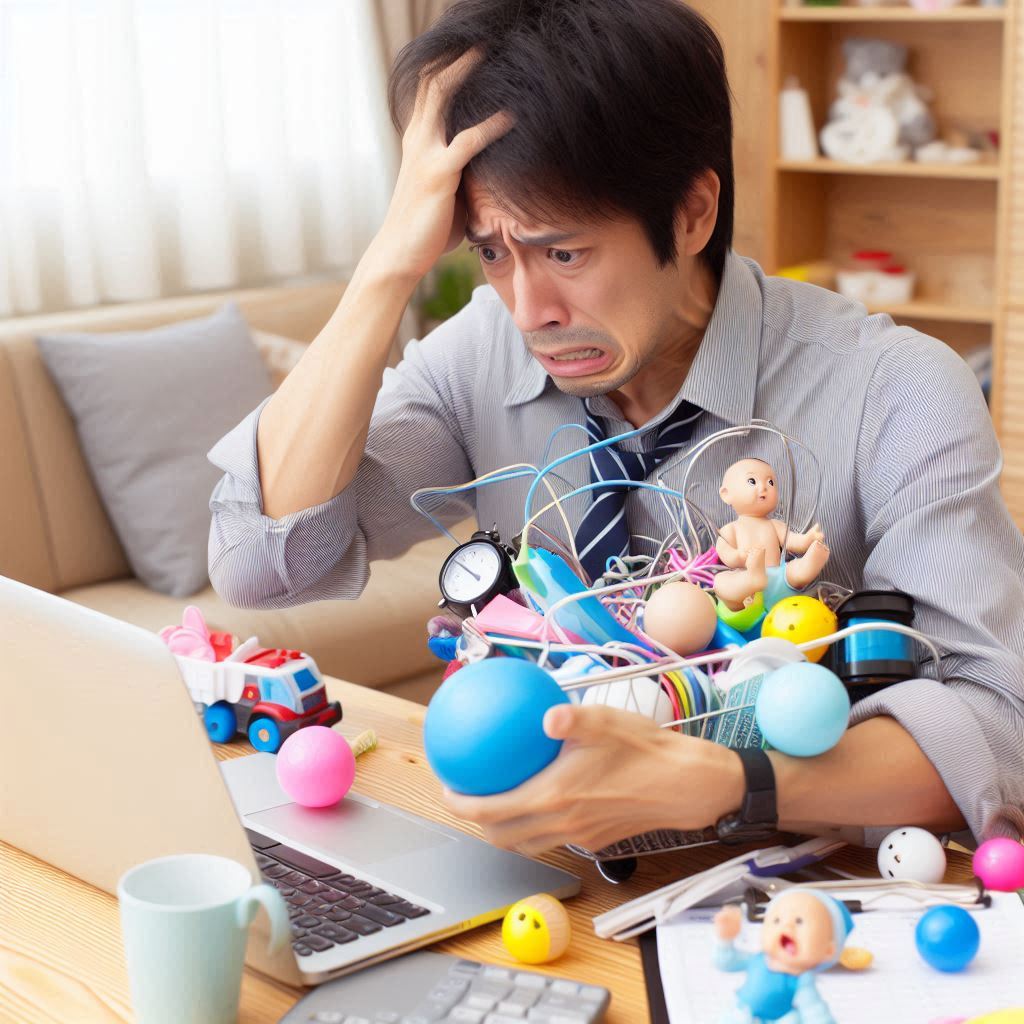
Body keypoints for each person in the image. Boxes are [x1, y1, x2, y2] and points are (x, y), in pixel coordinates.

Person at [207, 0, 1024, 857]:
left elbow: (1000, 725)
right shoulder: (480, 354)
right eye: (489, 252)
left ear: (693, 213)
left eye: (565, 253)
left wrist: (725, 781)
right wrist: (387, 266)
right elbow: (264, 563)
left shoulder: (894, 391)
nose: (530, 310)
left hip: (791, 900)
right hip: (540, 876)